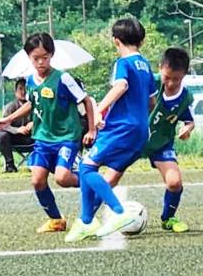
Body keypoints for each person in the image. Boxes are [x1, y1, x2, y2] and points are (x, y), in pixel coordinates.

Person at [65, 17, 156, 242]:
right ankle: (86, 222)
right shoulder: (146, 66)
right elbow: (152, 102)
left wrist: (99, 111)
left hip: (121, 128)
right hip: (140, 131)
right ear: (142, 41)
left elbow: (121, 86)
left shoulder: (123, 64)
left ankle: (118, 212)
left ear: (116, 41)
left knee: (85, 168)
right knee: (90, 165)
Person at [0, 33, 96, 233]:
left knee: (63, 178)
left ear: (52, 55)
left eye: (45, 57)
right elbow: (32, 103)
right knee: (37, 180)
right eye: (35, 58)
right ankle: (56, 220)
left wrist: (91, 129)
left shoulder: (63, 79)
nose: (41, 62)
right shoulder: (30, 81)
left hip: (66, 138)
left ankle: (95, 184)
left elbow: (86, 101)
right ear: (29, 58)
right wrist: (8, 119)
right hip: (42, 139)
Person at [143, 47, 194, 233]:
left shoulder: (185, 97)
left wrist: (187, 129)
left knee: (174, 182)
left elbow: (189, 120)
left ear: (184, 75)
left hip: (161, 144)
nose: (171, 83)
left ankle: (168, 218)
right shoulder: (148, 84)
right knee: (109, 178)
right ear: (160, 69)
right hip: (134, 140)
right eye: (167, 77)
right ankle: (88, 220)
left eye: (177, 79)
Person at [0, 78, 34, 173]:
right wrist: (17, 130)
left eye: (26, 89)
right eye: (20, 89)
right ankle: (10, 165)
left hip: (34, 137)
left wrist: (35, 123)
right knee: (2, 135)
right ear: (15, 92)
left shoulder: (36, 105)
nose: (23, 92)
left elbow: (45, 120)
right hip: (16, 138)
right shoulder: (10, 107)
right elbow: (3, 126)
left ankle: (46, 164)